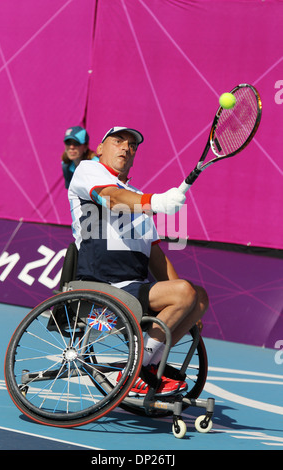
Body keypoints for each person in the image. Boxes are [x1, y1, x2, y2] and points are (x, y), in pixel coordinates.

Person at [68, 126, 209, 396]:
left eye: (132, 146)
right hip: (102, 285)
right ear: (100, 148)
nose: (125, 147)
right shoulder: (89, 170)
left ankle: (148, 366)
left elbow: (155, 254)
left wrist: (190, 307)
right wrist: (155, 201)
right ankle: (137, 371)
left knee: (198, 296)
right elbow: (111, 198)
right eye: (118, 141)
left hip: (132, 288)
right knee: (184, 293)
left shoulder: (135, 195)